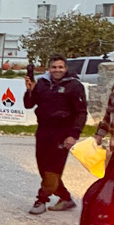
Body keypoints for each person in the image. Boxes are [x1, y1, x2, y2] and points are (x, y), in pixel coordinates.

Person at [23, 55, 88, 215]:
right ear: (49, 68)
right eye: (54, 67)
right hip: (44, 130)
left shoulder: (74, 86)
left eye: (60, 67)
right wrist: (29, 90)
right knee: (44, 168)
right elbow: (28, 104)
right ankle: (65, 198)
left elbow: (81, 112)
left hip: (63, 132)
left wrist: (74, 134)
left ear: (65, 69)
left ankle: (41, 200)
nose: (57, 70)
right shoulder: (42, 84)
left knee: (53, 168)